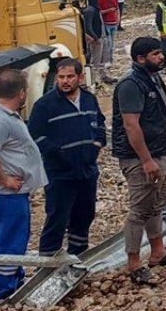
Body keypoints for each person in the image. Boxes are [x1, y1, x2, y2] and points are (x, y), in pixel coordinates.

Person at [112, 37, 166, 284]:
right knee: (140, 209)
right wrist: (147, 160)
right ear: (140, 58)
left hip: (158, 152)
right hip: (138, 158)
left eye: (161, 53)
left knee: (156, 204)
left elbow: (163, 116)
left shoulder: (152, 77)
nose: (161, 57)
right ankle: (133, 263)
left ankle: (158, 252)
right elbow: (131, 125)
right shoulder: (131, 84)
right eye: (156, 54)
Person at [0, 69, 47, 300]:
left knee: (15, 240)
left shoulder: (4, 113)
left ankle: (15, 281)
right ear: (22, 93)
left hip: (11, 195)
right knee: (7, 242)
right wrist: (5, 180)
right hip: (3, 194)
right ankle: (4, 292)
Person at [27, 59, 104, 258]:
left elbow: (100, 122)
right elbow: (34, 134)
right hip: (60, 174)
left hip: (87, 171)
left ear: (79, 77)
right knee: (57, 219)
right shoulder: (45, 105)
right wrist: (57, 153)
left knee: (84, 215)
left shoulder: (89, 99)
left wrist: (98, 143)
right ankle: (47, 262)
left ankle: (79, 256)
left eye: (70, 77)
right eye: (61, 77)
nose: (65, 81)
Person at [82, 0, 106, 84]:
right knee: (95, 60)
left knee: (101, 58)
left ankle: (102, 76)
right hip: (95, 38)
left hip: (100, 36)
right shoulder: (90, 10)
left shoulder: (95, 8)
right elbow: (87, 27)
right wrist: (95, 37)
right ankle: (93, 80)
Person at [99, 0, 121, 72]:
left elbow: (117, 9)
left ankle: (110, 60)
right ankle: (107, 61)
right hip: (106, 23)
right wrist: (108, 10)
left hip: (114, 23)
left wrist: (118, 19)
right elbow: (99, 12)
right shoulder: (101, 0)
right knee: (108, 43)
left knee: (112, 44)